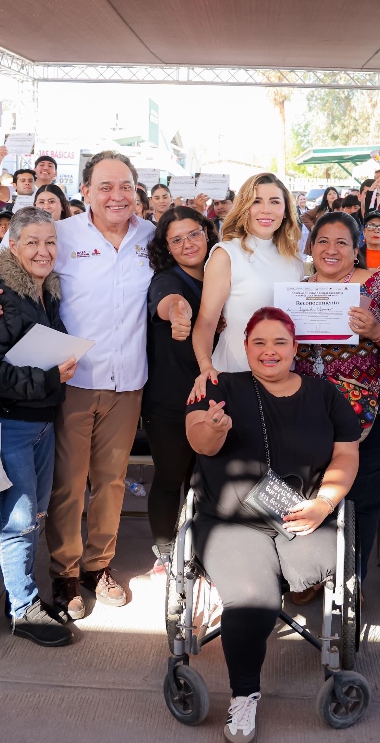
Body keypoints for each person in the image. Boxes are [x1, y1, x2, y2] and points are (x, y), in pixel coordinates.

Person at [0, 152, 154, 620]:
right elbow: (3, 262)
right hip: (72, 380)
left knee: (111, 482)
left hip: (129, 381)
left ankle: (98, 566)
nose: (116, 195)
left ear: (136, 190)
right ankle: (65, 572)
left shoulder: (150, 237)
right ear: (86, 191)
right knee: (68, 484)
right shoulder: (61, 234)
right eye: (105, 186)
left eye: (125, 186)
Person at [185, 307, 360, 743]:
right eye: (259, 342)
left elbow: (346, 454)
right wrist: (214, 428)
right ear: (245, 347)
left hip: (302, 513)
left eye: (280, 342)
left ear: (295, 348)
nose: (269, 351)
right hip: (231, 521)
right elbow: (198, 439)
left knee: (318, 563)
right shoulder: (220, 386)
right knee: (253, 599)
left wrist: (324, 503)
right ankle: (244, 695)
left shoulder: (325, 394)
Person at [0, 208, 77, 647]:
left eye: (50, 241)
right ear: (12, 246)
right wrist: (50, 378)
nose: (43, 250)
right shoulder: (1, 295)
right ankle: (23, 608)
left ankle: (22, 596)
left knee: (32, 515)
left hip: (40, 421)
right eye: (32, 242)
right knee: (18, 520)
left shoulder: (45, 291)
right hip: (10, 423)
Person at [296, 211, 380, 573]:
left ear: (356, 248)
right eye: (323, 241)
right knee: (309, 493)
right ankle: (314, 574)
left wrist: (376, 330)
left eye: (341, 243)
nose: (331, 250)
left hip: (371, 416)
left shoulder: (378, 286)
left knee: (362, 500)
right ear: (311, 246)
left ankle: (352, 580)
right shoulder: (298, 288)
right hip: (308, 413)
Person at [142, 207, 217, 571]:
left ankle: (203, 553)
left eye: (193, 234)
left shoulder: (220, 275)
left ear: (207, 232)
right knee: (171, 477)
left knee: (209, 480)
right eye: (176, 240)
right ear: (167, 248)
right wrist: (178, 313)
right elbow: (170, 301)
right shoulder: (166, 279)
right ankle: (166, 554)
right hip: (171, 400)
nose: (187, 244)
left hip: (216, 395)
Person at [192, 173, 305, 379]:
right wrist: (206, 366)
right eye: (256, 201)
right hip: (235, 374)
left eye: (274, 202)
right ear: (244, 207)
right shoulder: (226, 254)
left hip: (283, 377)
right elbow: (206, 322)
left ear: (286, 210)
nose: (266, 209)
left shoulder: (293, 258)